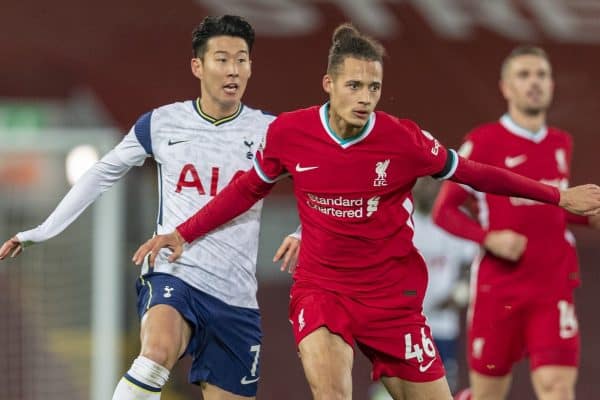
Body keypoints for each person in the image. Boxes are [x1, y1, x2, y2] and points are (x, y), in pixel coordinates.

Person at [131, 26, 600, 400]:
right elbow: (246, 189)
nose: (365, 97)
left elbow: (476, 174)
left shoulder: (403, 140)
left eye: (374, 87)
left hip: (391, 301)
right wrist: (184, 233)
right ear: (328, 84)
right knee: (332, 392)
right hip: (322, 290)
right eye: (354, 85)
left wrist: (559, 197)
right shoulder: (291, 133)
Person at [0, 15, 299, 400]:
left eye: (242, 60)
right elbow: (102, 172)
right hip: (175, 271)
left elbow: (322, 186)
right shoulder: (162, 123)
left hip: (236, 295)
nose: (233, 70)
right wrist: (41, 230)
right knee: (156, 353)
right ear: (198, 65)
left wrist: (300, 232)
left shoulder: (272, 132)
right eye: (222, 59)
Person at [432, 46, 600, 400]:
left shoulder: (560, 143)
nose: (534, 83)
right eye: (524, 75)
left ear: (552, 85)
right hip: (500, 289)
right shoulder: (483, 142)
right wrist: (487, 238)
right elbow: (444, 210)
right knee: (488, 394)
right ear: (506, 87)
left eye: (541, 75)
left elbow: (551, 205)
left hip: (553, 285)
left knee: (558, 388)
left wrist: (589, 217)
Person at [369, 177, 476, 400]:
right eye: (422, 181)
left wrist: (461, 292)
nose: (428, 186)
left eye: (432, 181)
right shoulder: (397, 218)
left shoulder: (455, 218)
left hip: (442, 324)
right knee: (393, 387)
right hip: (401, 323)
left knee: (441, 386)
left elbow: (471, 262)